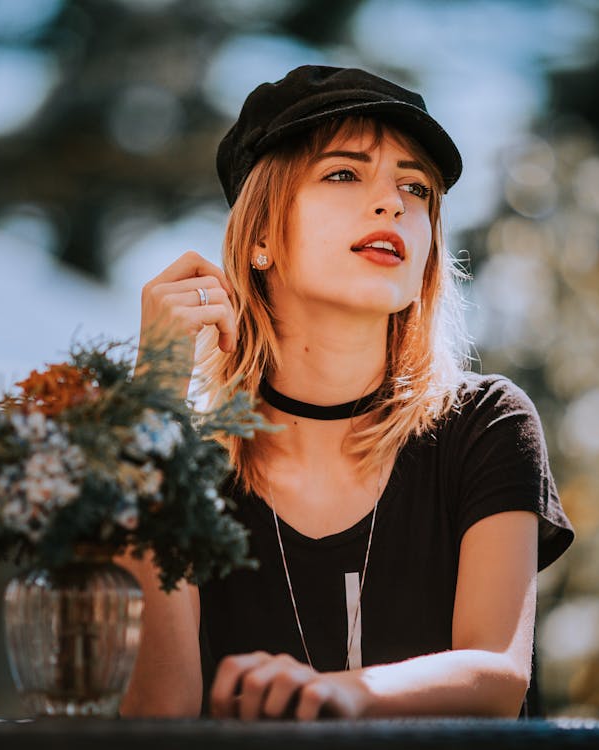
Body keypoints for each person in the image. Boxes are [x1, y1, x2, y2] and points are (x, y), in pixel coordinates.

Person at [117, 65, 574, 721]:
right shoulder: (186, 465)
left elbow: (499, 678)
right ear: (262, 238)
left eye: (413, 187)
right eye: (343, 173)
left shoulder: (488, 424)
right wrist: (151, 413)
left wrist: (343, 692)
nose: (392, 202)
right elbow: (158, 714)